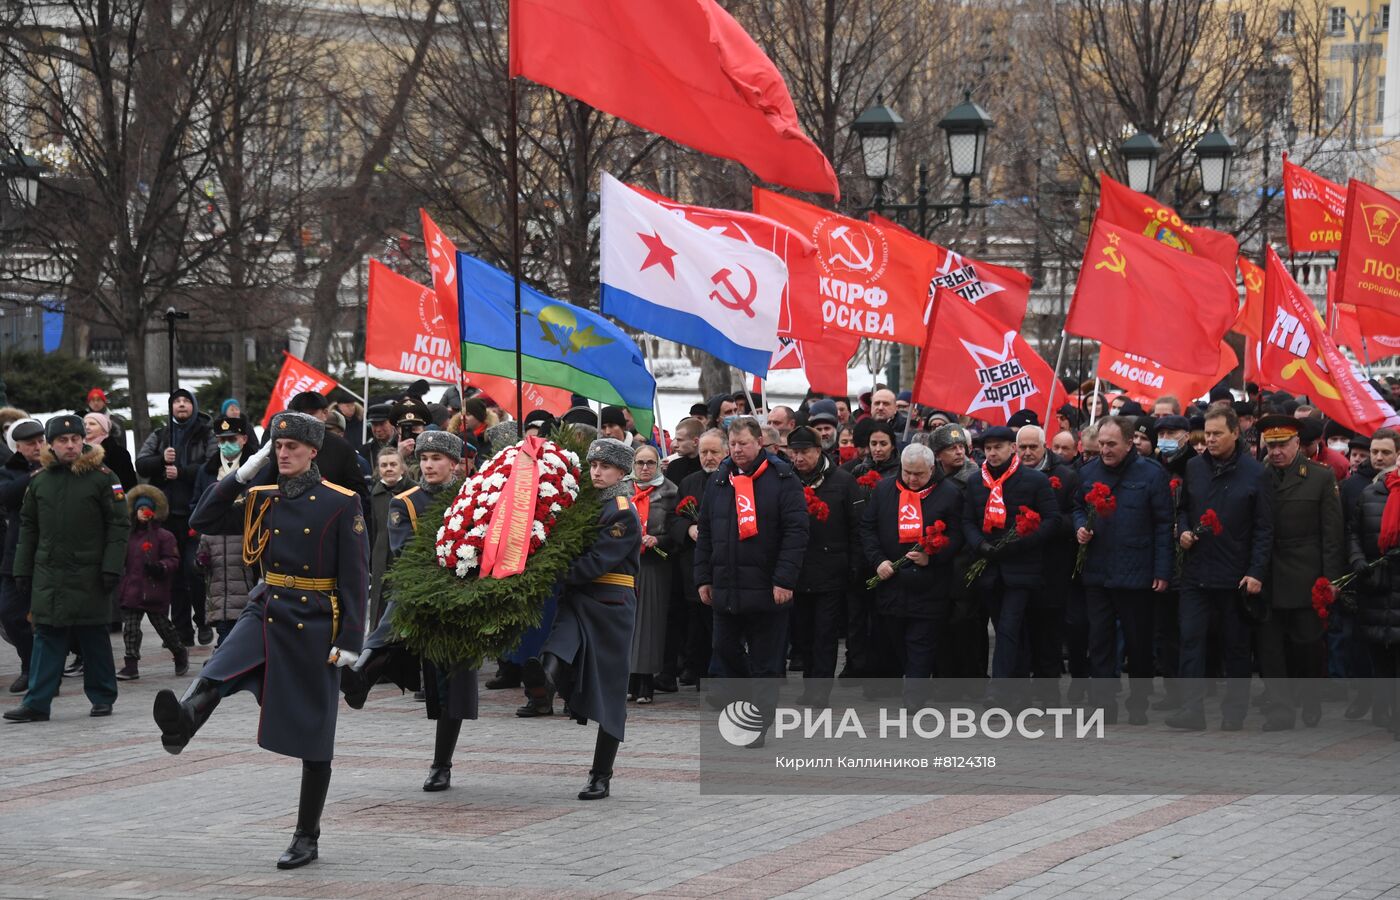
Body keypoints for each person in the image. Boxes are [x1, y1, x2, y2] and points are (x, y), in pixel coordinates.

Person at [152, 411, 368, 869]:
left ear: (313, 452)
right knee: (220, 668)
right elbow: (201, 517)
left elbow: (355, 576)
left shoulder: (340, 502)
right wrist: (244, 472)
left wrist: (352, 639)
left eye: (292, 447)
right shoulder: (262, 496)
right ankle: (183, 723)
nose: (284, 454)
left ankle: (306, 835)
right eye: (278, 447)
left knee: (314, 733)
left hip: (314, 619)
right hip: (266, 605)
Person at [349, 431, 476, 791]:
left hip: (463, 600)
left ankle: (441, 764)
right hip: (421, 596)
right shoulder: (404, 503)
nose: (429, 465)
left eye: (437, 458)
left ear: (454, 464)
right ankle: (362, 673)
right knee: (397, 614)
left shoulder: (474, 497)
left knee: (452, 685)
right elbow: (407, 553)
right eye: (423, 459)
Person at [522, 438, 641, 799]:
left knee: (610, 689)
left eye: (605, 467)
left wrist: (546, 573)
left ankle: (600, 774)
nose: (597, 472)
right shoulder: (585, 505)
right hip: (579, 597)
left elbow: (596, 563)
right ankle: (544, 680)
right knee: (560, 641)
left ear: (622, 471)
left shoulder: (622, 510)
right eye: (593, 466)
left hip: (609, 602)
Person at [4, 415, 128, 723]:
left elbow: (119, 525)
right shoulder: (41, 480)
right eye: (62, 440)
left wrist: (112, 567)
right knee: (47, 636)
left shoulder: (103, 477)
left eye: (75, 440)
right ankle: (37, 702)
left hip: (90, 573)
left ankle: (102, 696)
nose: (70, 445)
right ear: (52, 444)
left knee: (93, 636)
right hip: (50, 574)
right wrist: (23, 570)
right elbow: (28, 528)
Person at [695, 417, 809, 729]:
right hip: (727, 586)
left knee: (766, 660)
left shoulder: (782, 478)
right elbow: (706, 531)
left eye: (744, 443)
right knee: (724, 649)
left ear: (759, 442)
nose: (738, 450)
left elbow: (796, 533)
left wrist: (784, 580)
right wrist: (703, 578)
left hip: (767, 587)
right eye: (733, 444)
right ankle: (743, 703)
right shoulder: (720, 478)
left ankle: (757, 720)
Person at [1168, 406, 1273, 731]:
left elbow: (1264, 528)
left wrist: (1256, 571)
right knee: (1190, 640)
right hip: (1197, 572)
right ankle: (1191, 710)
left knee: (1236, 646)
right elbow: (1184, 508)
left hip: (1236, 575)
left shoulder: (1256, 473)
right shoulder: (1195, 468)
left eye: (1217, 434)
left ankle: (1234, 713)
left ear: (1235, 434)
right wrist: (1183, 530)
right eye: (1207, 434)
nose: (1209, 440)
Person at [1072, 416, 1174, 724]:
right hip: (1098, 570)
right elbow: (1077, 506)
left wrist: (1162, 570)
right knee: (1100, 640)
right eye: (1101, 444)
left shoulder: (1151, 474)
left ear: (1130, 443)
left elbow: (1162, 524)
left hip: (1136, 571)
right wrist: (1080, 528)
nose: (1104, 450)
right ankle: (1104, 704)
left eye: (1111, 444)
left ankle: (1139, 701)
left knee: (1138, 641)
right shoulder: (1088, 472)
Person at [1256, 414, 1345, 730]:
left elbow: (1332, 534)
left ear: (1298, 443)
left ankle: (1309, 698)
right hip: (1266, 575)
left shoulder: (1320, 477)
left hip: (1305, 574)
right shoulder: (1259, 476)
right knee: (1270, 647)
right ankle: (1280, 709)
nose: (1276, 451)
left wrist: (1331, 580)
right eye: (1272, 445)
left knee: (1307, 645)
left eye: (1282, 445)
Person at [961, 426, 1057, 704]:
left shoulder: (1034, 480)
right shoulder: (976, 482)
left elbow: (1051, 520)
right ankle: (1018, 693)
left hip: (1022, 568)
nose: (992, 453)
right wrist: (980, 545)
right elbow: (967, 520)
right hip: (989, 567)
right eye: (987, 448)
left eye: (998, 447)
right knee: (1010, 629)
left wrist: (1021, 542)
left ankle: (999, 690)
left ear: (1012, 449)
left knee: (1008, 627)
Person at [863, 443, 963, 708]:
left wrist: (933, 556)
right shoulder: (885, 489)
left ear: (932, 469)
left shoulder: (949, 493)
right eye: (907, 473)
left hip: (929, 583)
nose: (911, 479)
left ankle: (914, 696)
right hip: (891, 580)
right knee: (896, 637)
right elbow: (868, 529)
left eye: (918, 474)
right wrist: (878, 561)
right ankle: (910, 682)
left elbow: (957, 536)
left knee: (921, 640)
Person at [135, 389, 217, 646]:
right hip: (167, 515)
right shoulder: (161, 435)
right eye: (176, 402)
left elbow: (212, 464)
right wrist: (162, 460)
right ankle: (182, 630)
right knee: (174, 576)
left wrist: (181, 471)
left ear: (193, 405)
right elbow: (142, 463)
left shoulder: (206, 433)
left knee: (194, 570)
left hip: (195, 513)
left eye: (185, 401)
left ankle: (203, 619)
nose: (181, 405)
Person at [786, 426, 860, 707]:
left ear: (819, 451)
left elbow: (855, 526)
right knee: (803, 634)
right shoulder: (788, 479)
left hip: (831, 570)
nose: (799, 458)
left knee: (825, 634)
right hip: (797, 570)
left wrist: (854, 565)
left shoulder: (842, 481)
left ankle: (820, 690)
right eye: (794, 452)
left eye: (804, 451)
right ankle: (809, 684)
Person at [1016, 425, 1080, 706]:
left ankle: (1047, 693)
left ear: (1045, 447)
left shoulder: (1066, 476)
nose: (1028, 453)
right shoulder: (1009, 475)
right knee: (1020, 633)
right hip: (1018, 567)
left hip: (1051, 568)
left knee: (1049, 635)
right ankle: (1018, 693)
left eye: (1033, 447)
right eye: (1023, 447)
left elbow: (1073, 516)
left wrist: (1044, 523)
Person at [1347, 428, 1400, 740]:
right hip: (1375, 584)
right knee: (1378, 655)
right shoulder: (1367, 493)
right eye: (1375, 452)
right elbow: (1352, 532)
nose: (1378, 458)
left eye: (1385, 453)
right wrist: (1357, 561)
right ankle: (1384, 710)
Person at [667, 428, 727, 688]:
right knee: (697, 625)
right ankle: (699, 671)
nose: (708, 457)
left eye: (714, 452)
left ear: (725, 453)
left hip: (723, 565)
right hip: (693, 564)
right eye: (704, 452)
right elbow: (673, 518)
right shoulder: (690, 482)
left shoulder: (734, 479)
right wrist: (687, 529)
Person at [115, 486, 188, 681]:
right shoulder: (127, 536)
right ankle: (131, 664)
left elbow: (173, 559)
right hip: (132, 589)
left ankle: (179, 652)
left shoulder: (164, 536)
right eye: (140, 510)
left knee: (164, 627)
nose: (144, 513)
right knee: (130, 628)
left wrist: (161, 567)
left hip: (154, 589)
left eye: (147, 509)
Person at [628, 444, 676, 704]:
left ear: (658, 464)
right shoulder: (623, 489)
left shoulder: (670, 492)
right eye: (639, 463)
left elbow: (677, 531)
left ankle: (645, 682)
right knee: (628, 622)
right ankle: (628, 680)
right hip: (627, 564)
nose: (644, 468)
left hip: (655, 565)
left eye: (650, 463)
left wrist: (658, 540)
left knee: (650, 625)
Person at [0, 419, 44, 693]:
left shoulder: (59, 466)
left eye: (41, 441)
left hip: (50, 554)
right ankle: (30, 664)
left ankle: (43, 670)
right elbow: (6, 496)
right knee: (9, 613)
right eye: (31, 444)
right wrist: (32, 476)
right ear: (18, 447)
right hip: (16, 554)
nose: (38, 447)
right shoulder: (9, 471)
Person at [285, 391, 371, 511]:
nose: (304, 420)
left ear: (325, 414)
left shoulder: (341, 447)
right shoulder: (283, 445)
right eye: (299, 415)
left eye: (311, 414)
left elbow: (358, 495)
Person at [368, 448, 413, 629]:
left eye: (393, 464)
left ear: (402, 468)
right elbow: (373, 527)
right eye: (384, 465)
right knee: (379, 598)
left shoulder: (413, 490)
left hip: (404, 554)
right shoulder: (376, 493)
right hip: (381, 553)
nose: (389, 469)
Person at [84, 412, 135, 490]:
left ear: (104, 429)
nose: (87, 427)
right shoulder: (76, 450)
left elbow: (127, 484)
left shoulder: (118, 453)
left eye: (92, 424)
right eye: (84, 424)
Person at [360, 403, 398, 470]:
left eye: (382, 424)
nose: (378, 429)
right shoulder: (365, 451)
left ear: (393, 423)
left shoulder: (406, 446)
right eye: (374, 425)